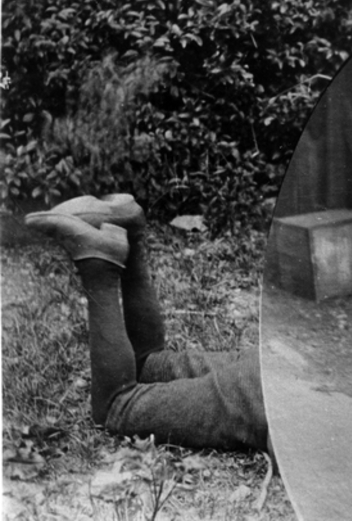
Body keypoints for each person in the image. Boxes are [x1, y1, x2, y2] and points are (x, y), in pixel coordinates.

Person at [24, 194, 268, 452]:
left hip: (283, 367)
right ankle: (100, 264)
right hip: (290, 399)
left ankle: (127, 235)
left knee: (148, 369)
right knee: (116, 408)